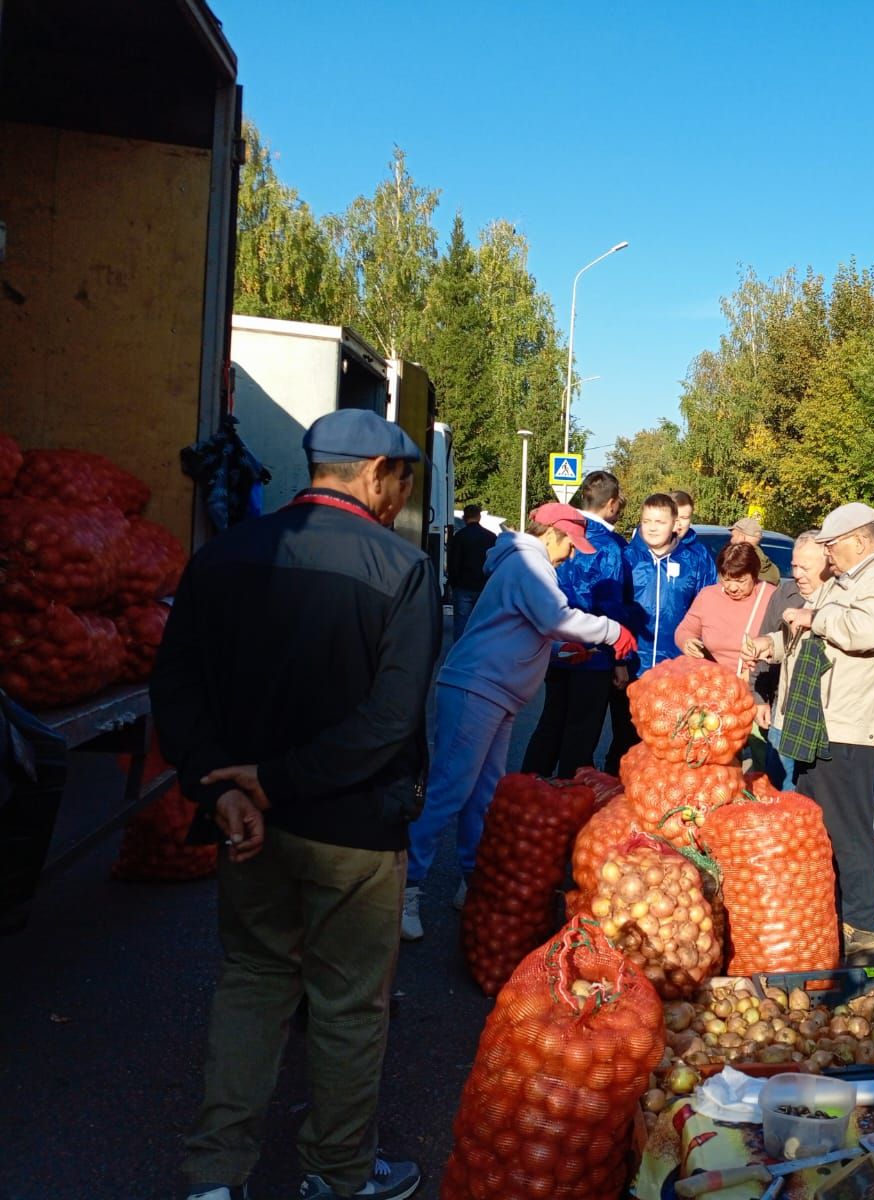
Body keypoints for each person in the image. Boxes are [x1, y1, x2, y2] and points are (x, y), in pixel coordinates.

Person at [152, 409, 440, 1200]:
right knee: (348, 1005)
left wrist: (223, 782)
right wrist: (271, 779)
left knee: (252, 979)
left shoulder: (225, 554)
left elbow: (173, 684)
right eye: (402, 479)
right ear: (377, 474)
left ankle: (214, 1178)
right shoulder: (402, 568)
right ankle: (338, 1175)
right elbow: (390, 719)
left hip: (247, 823)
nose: (401, 496)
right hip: (350, 827)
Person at [401, 503, 637, 941]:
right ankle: (406, 888)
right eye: (570, 545)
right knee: (450, 790)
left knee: (483, 795)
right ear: (553, 534)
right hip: (478, 686)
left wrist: (562, 651)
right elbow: (555, 618)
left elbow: (524, 629)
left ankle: (471, 880)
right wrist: (609, 631)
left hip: (494, 690)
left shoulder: (524, 563)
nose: (570, 556)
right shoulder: (530, 564)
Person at [750, 502, 874, 956]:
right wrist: (771, 646)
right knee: (816, 826)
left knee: (849, 830)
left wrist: (813, 618)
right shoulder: (845, 581)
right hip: (821, 724)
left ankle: (861, 926)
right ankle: (828, 912)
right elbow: (804, 632)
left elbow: (867, 631)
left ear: (858, 542)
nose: (828, 554)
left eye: (831, 546)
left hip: (853, 728)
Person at [522, 471, 630, 778]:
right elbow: (611, 603)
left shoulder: (558, 531)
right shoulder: (609, 546)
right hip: (594, 652)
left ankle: (527, 788)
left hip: (556, 647)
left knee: (550, 721)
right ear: (611, 504)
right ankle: (568, 800)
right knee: (581, 731)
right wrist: (618, 656)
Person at [607, 493, 717, 771]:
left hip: (677, 670)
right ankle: (615, 802)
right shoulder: (626, 558)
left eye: (660, 521)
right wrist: (618, 661)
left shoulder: (694, 560)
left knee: (670, 744)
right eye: (647, 521)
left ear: (674, 524)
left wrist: (700, 657)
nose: (653, 527)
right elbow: (615, 614)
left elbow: (708, 609)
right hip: (633, 667)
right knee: (626, 742)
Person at [754, 531, 830, 790]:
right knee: (778, 796)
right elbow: (765, 638)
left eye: (805, 567)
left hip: (821, 724)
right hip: (782, 715)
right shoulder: (785, 592)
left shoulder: (842, 602)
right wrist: (759, 697)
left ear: (828, 564)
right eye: (794, 565)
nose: (797, 574)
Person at [675, 542, 778, 688]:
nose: (732, 587)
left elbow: (783, 644)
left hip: (755, 687)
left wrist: (755, 673)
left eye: (741, 581)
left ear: (755, 575)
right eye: (726, 579)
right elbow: (684, 630)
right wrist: (687, 642)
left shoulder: (771, 596)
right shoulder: (707, 596)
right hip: (710, 686)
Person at [446, 504, 496, 642]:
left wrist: (453, 583)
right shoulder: (491, 537)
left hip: (463, 586)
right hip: (484, 587)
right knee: (481, 624)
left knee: (461, 625)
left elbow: (453, 563)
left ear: (464, 517)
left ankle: (459, 655)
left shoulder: (459, 537)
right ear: (479, 517)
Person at [670, 489, 718, 583]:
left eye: (684, 518)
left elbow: (707, 592)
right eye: (674, 517)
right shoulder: (644, 551)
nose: (678, 524)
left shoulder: (700, 554)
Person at [730, 515, 781, 585]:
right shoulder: (773, 569)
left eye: (733, 536)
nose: (731, 540)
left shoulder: (736, 563)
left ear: (741, 537)